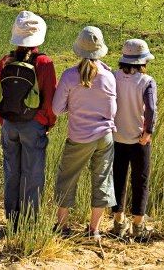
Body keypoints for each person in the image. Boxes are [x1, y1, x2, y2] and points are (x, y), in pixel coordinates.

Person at [0, 10, 57, 230]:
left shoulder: (5, 61)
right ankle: (30, 224)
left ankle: (13, 222)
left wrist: (5, 121)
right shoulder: (45, 62)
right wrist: (46, 123)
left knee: (12, 173)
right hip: (33, 125)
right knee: (33, 175)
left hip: (9, 124)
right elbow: (49, 101)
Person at [52, 26, 117, 241]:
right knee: (102, 179)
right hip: (105, 136)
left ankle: (61, 226)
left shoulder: (70, 76)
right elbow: (112, 111)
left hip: (79, 136)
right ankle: (94, 229)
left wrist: (75, 107)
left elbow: (56, 109)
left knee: (68, 177)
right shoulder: (109, 77)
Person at [110, 39, 158, 240]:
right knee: (141, 180)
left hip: (116, 136)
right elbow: (151, 109)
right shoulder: (147, 81)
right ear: (142, 61)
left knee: (118, 178)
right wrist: (148, 132)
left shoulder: (113, 76)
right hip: (139, 139)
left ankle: (118, 222)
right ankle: (138, 224)